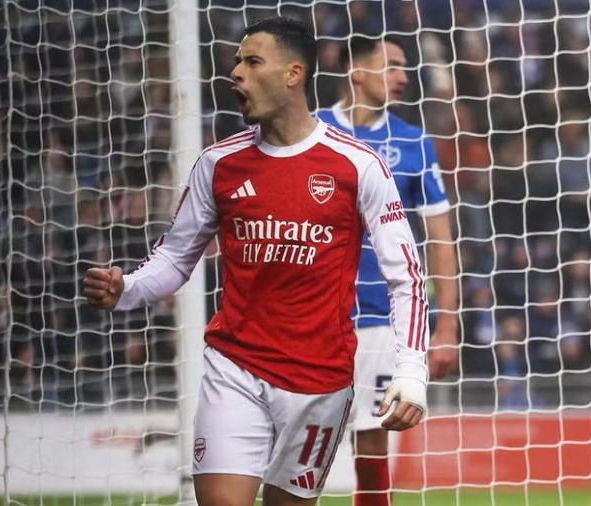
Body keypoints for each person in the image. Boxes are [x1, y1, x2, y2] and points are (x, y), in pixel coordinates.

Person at [84, 18, 429, 506]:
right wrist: (129, 288)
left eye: (252, 61)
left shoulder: (358, 165)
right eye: (236, 62)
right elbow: (175, 257)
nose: (236, 73)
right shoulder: (217, 164)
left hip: (321, 381)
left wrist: (411, 371)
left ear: (293, 74)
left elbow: (406, 278)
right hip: (235, 366)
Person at [317, 36, 459, 506]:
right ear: (356, 71)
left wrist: (446, 326)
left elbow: (440, 238)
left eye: (404, 67)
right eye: (392, 66)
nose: (403, 77)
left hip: (382, 317)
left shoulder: (414, 142)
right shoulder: (313, 131)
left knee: (372, 443)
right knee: (297, 442)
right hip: (315, 315)